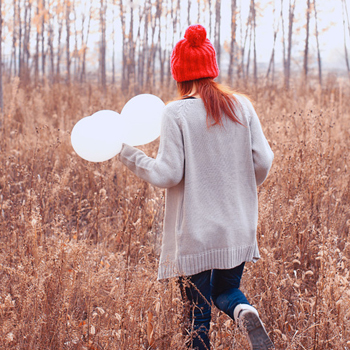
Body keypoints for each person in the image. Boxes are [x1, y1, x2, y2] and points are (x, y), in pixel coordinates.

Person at [119, 24, 275, 350]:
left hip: (196, 231)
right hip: (238, 226)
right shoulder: (242, 106)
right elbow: (263, 160)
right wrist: (239, 188)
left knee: (196, 316)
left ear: (179, 74)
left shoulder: (175, 112)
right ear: (211, 69)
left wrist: (126, 152)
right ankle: (242, 309)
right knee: (225, 292)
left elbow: (167, 174)